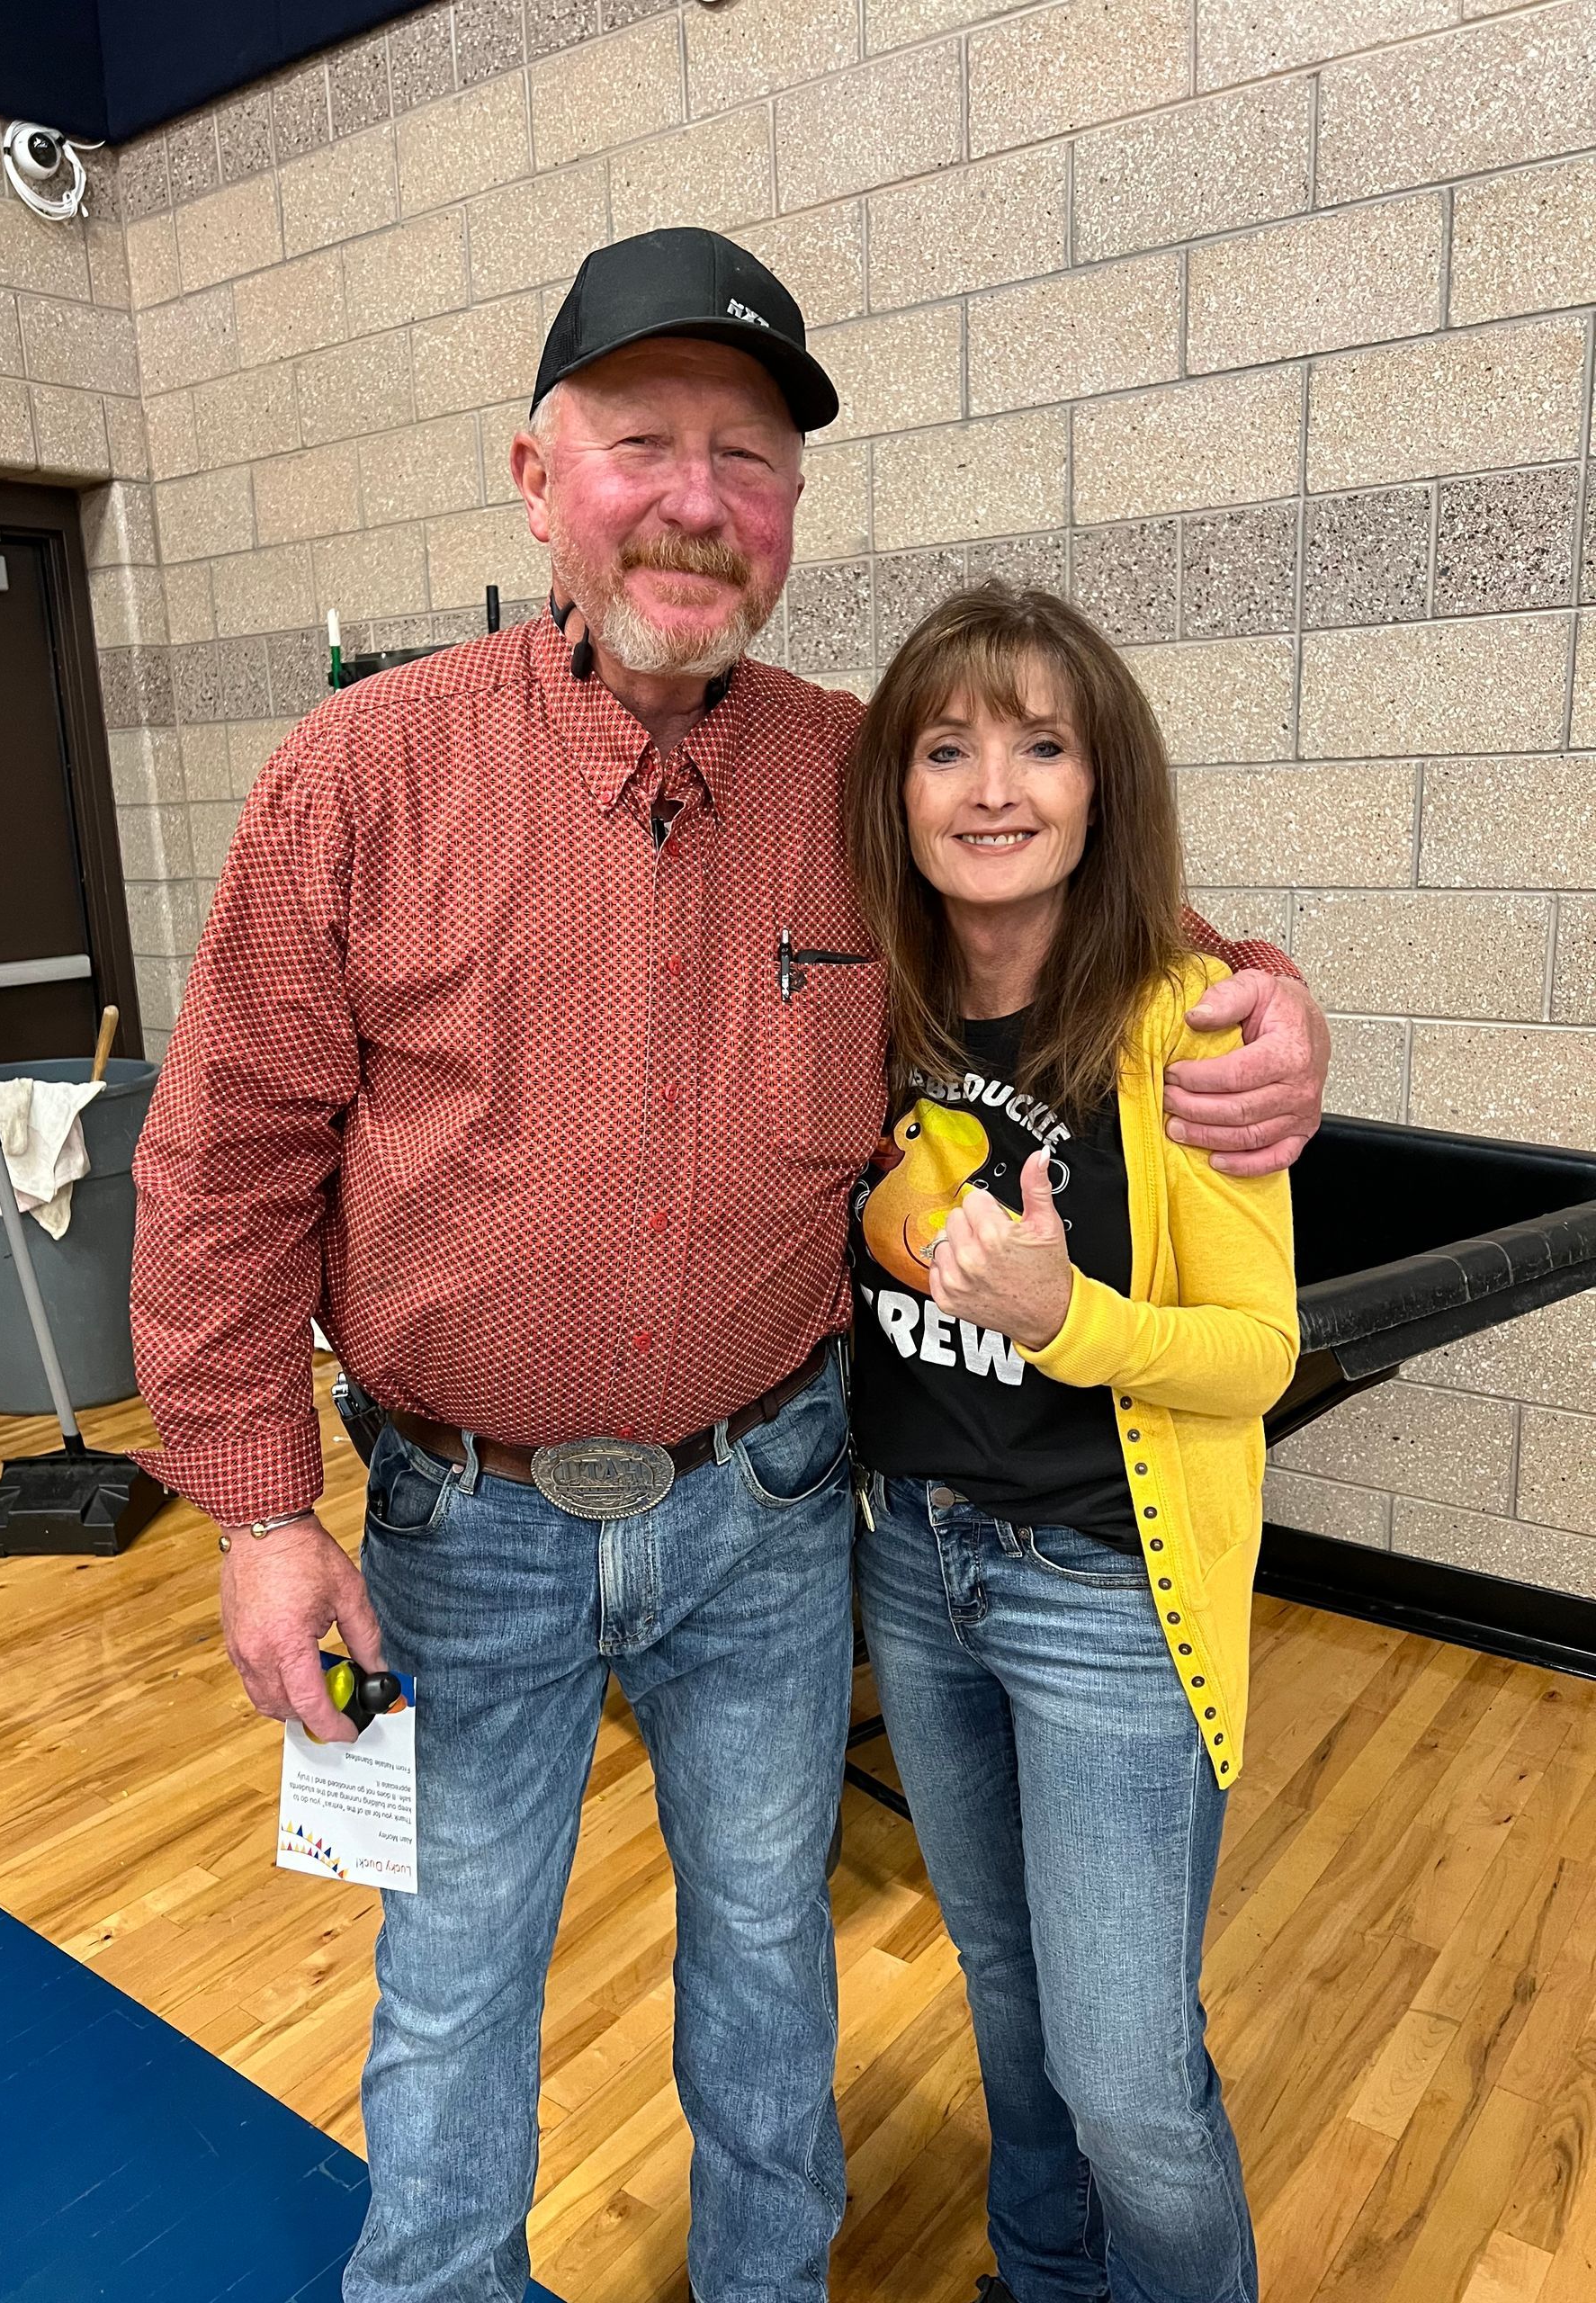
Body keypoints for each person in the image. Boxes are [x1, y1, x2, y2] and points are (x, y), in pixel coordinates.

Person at [128, 229, 1327, 2303]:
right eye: (642, 442)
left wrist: (1270, 992)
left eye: (749, 459)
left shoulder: (849, 776)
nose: (697, 497)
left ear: (788, 515)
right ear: (535, 477)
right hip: (454, 1512)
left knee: (771, 1958)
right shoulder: (360, 777)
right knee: (456, 1967)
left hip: (768, 1513)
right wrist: (257, 1512)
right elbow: (225, 1163)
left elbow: (1067, 887)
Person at [842, 580, 1298, 2303]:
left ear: (1105, 786)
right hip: (914, 1554)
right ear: (898, 787)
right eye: (949, 747)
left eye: (1043, 745)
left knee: (1127, 2075)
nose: (993, 787)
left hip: (1103, 1594)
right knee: (1009, 1998)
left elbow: (1261, 1353)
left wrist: (1067, 1320)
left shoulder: (1185, 1021)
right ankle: (1044, 2278)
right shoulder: (862, 1007)